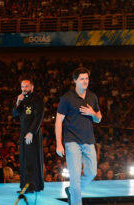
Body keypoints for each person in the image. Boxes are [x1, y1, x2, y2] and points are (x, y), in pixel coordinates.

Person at [55, 67, 102, 205]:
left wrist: (93, 113)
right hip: (72, 141)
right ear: (75, 80)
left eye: (86, 78)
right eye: (82, 78)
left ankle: (72, 190)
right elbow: (58, 121)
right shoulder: (67, 98)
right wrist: (59, 143)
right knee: (75, 177)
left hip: (88, 140)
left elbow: (98, 118)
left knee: (92, 173)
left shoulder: (92, 97)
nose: (85, 81)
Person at [13, 79, 44, 193]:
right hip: (23, 132)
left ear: (32, 87)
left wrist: (31, 132)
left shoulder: (37, 99)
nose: (24, 89)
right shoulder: (22, 99)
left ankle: (32, 186)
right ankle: (24, 185)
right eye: (22, 87)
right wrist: (17, 102)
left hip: (32, 133)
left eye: (26, 86)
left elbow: (39, 116)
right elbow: (15, 114)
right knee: (24, 159)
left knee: (31, 159)